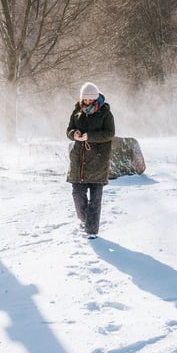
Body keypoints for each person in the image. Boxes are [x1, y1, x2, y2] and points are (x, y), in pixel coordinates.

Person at [65, 82, 115, 239]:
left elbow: (110, 133)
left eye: (89, 100)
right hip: (79, 161)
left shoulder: (106, 114)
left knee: (95, 199)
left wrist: (90, 137)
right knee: (77, 194)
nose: (86, 102)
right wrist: (74, 134)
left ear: (95, 99)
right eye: (84, 100)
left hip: (98, 161)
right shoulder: (76, 111)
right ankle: (85, 220)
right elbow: (69, 130)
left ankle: (92, 231)